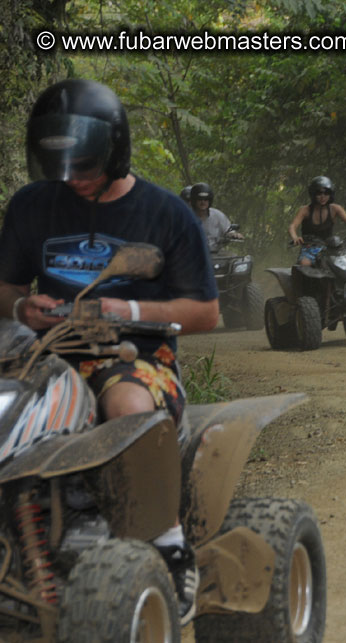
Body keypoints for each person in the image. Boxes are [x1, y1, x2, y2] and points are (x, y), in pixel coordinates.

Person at [0, 78, 218, 625]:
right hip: (38, 351)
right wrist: (22, 307)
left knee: (126, 406)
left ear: (117, 153)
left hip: (132, 356)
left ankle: (169, 547)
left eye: (87, 168)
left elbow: (206, 312)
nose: (74, 181)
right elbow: (2, 289)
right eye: (64, 170)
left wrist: (131, 313)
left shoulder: (167, 215)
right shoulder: (30, 206)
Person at [288, 175, 346, 266]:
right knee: (304, 263)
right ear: (313, 194)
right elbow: (293, 226)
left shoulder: (335, 208)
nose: (323, 196)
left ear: (330, 194)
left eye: (326, 193)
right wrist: (295, 237)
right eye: (319, 193)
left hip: (331, 248)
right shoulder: (305, 210)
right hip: (310, 248)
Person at [189, 182, 242, 252]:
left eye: (205, 199)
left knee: (239, 261)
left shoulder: (218, 215)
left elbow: (228, 230)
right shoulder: (186, 217)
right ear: (194, 200)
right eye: (199, 199)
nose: (203, 202)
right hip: (192, 255)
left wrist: (234, 234)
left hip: (217, 255)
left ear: (209, 200)